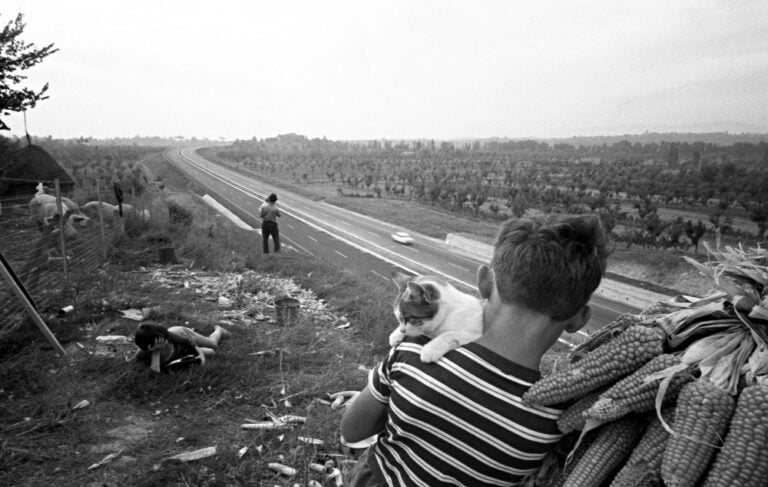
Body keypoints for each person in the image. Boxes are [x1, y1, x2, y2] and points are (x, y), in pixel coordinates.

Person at [341, 214, 609, 486]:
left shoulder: (412, 354)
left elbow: (352, 430)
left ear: (484, 282)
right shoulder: (554, 420)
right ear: (580, 319)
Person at [134, 323, 231, 373]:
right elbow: (154, 375)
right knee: (211, 352)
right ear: (149, 348)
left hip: (183, 333)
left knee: (213, 346)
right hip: (182, 352)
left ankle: (219, 330)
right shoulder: (142, 356)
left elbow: (188, 342)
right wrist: (156, 353)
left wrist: (201, 355)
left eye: (166, 339)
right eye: (163, 342)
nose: (167, 342)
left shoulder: (170, 336)